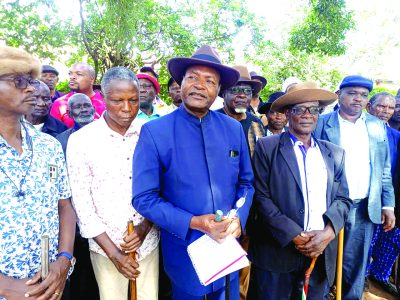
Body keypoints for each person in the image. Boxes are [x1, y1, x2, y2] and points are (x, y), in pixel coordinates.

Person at [132, 45, 254, 300]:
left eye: (210, 80)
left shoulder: (232, 129)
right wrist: (195, 222)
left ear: (218, 90)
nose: (200, 85)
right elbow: (144, 198)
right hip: (185, 255)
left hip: (226, 254)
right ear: (181, 82)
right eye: (193, 77)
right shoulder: (156, 132)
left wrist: (238, 218)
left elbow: (246, 183)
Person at [248, 81, 351, 299]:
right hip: (276, 253)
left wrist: (328, 233)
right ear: (287, 113)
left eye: (313, 109)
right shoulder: (267, 147)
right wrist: (294, 235)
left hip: (319, 253)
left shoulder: (334, 153)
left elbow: (343, 199)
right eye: (299, 109)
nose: (307, 115)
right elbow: (261, 197)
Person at [67, 67, 159, 300]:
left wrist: (144, 228)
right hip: (105, 246)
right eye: (118, 100)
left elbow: (161, 187)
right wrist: (115, 254)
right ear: (104, 98)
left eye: (134, 100)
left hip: (147, 242)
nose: (127, 108)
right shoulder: (81, 140)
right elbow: (82, 204)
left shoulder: (151, 133)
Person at [0, 46, 76, 300]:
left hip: (49, 285)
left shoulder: (49, 145)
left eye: (31, 81)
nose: (31, 88)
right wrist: (6, 286)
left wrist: (64, 260)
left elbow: (64, 206)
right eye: (19, 81)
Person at [314, 75, 396, 299]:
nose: (358, 99)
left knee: (356, 265)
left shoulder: (377, 126)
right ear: (339, 94)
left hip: (363, 208)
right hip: (328, 207)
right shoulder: (321, 123)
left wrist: (388, 205)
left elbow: (384, 169)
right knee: (324, 261)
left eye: (363, 95)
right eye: (352, 93)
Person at [56, 93, 99, 300]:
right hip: (74, 218)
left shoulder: (104, 135)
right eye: (78, 106)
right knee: (82, 276)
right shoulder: (61, 141)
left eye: (87, 105)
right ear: (70, 112)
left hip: (102, 216)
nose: (83, 109)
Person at [366, 92, 400, 296]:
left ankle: (380, 275)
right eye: (381, 106)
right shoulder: (359, 130)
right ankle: (358, 277)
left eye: (390, 108)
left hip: (390, 197)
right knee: (366, 240)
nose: (386, 111)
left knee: (391, 239)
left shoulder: (396, 136)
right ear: (369, 107)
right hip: (366, 196)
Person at [217, 65, 265, 157]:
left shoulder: (256, 123)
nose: (242, 95)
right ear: (224, 93)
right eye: (235, 90)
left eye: (247, 90)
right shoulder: (211, 121)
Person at [50, 62, 106, 127]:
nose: (72, 77)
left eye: (79, 74)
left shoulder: (105, 101)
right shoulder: (59, 103)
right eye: (70, 74)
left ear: (92, 79)